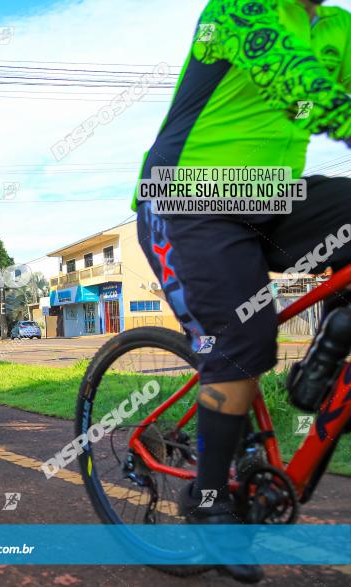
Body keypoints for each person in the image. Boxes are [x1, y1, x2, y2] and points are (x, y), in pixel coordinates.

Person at [134, 0, 351, 582]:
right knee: (243, 336)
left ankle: (328, 355)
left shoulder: (340, 27)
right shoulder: (236, 10)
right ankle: (208, 503)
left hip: (273, 195)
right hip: (188, 196)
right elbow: (298, 84)